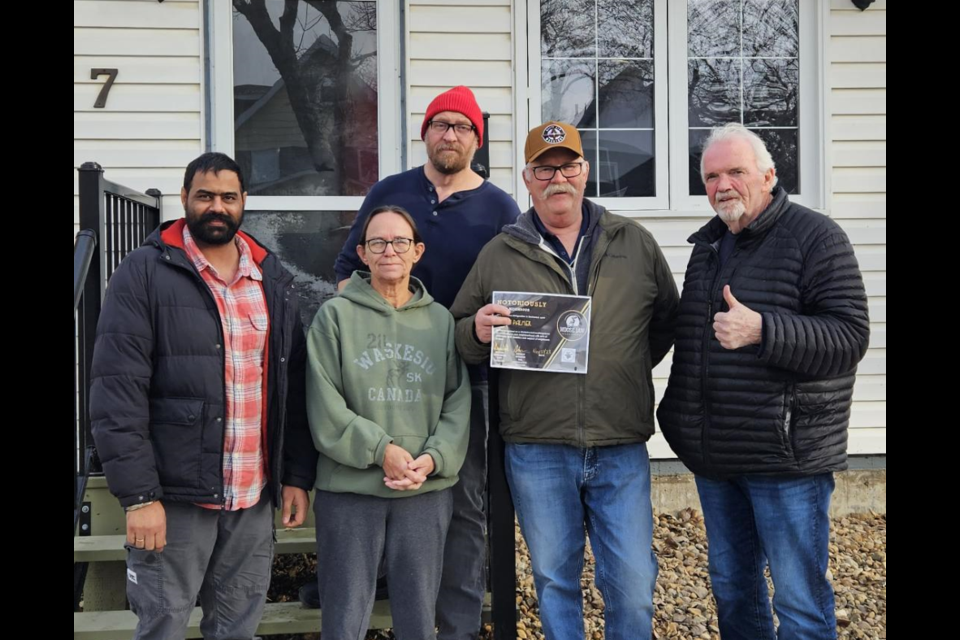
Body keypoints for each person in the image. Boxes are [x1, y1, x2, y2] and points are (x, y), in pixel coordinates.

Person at [450, 121, 679, 640]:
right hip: (537, 448)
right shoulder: (500, 253)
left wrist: (621, 367)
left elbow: (667, 320)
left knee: (633, 583)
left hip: (619, 444)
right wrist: (479, 331)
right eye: (545, 168)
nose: (559, 178)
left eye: (568, 165)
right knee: (555, 581)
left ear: (585, 172)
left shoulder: (633, 243)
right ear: (527, 179)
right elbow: (458, 334)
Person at [89, 152, 317, 640]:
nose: (217, 206)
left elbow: (290, 386)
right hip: (174, 497)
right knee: (163, 624)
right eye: (205, 196)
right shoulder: (144, 272)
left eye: (228, 197)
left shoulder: (269, 276)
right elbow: (116, 391)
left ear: (243, 203)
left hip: (252, 497)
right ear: (185, 199)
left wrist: (295, 475)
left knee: (237, 627)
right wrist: (139, 496)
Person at [657, 123, 871, 640]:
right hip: (717, 457)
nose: (722, 185)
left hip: (786, 458)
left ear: (769, 175)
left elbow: (850, 336)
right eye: (711, 176)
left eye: (736, 172)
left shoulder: (816, 236)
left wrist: (764, 329)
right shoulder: (709, 246)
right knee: (734, 589)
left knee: (798, 600)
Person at [307, 205, 470, 639]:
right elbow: (325, 404)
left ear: (417, 251)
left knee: (418, 616)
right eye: (377, 242)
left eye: (399, 242)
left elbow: (457, 401)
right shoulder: (334, 316)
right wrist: (381, 450)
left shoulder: (440, 321)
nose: (389, 251)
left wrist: (433, 459)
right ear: (362, 253)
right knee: (344, 616)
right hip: (350, 489)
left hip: (424, 489)